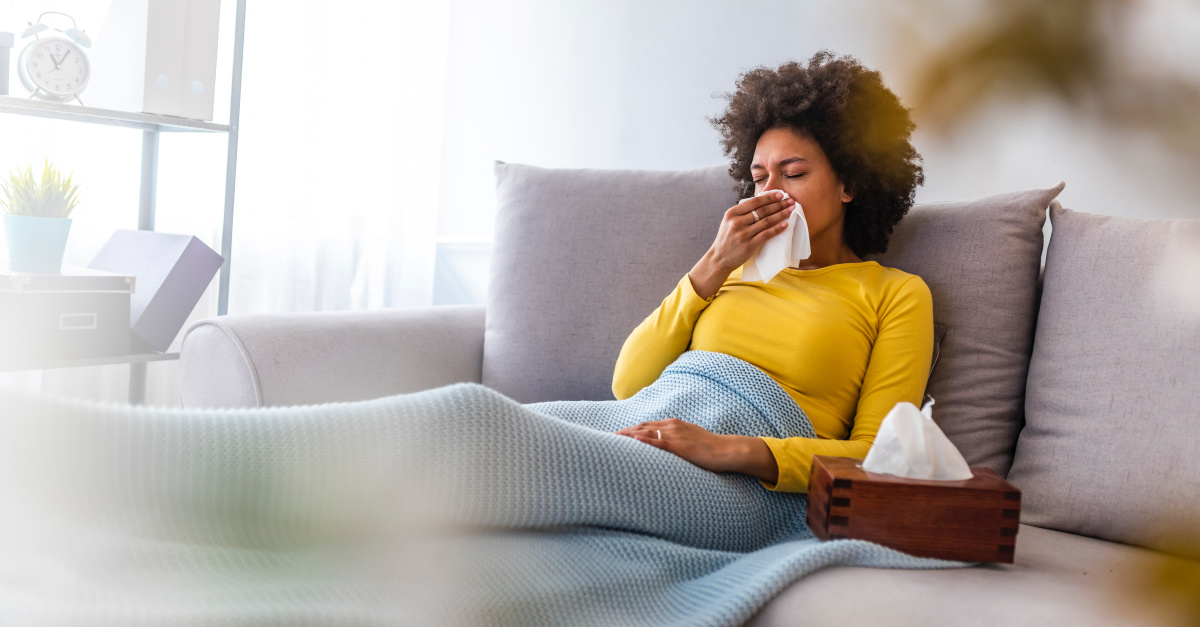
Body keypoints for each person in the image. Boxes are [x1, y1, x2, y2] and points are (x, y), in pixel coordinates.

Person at [612, 51, 933, 494]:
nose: (772, 192)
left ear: (850, 184)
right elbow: (627, 386)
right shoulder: (728, 268)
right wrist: (715, 262)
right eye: (760, 177)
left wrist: (729, 450)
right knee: (480, 417)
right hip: (641, 431)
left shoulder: (895, 293)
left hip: (736, 481)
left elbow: (879, 455)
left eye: (794, 172)